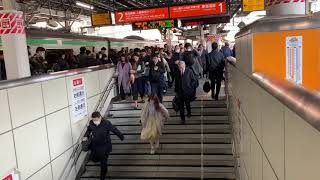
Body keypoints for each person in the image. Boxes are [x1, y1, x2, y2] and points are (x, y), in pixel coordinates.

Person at [84, 112, 124, 180]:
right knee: (94, 159)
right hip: (95, 146)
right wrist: (86, 136)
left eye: (96, 120)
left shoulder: (106, 123)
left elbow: (114, 129)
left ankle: (103, 176)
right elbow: (89, 130)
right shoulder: (91, 123)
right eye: (94, 120)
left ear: (100, 117)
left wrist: (121, 136)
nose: (95, 122)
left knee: (103, 163)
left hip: (105, 146)